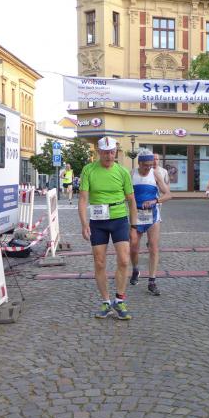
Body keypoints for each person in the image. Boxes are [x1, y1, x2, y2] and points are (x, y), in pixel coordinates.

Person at [78, 136, 139, 319]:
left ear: (116, 152)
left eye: (111, 152)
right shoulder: (89, 170)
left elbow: (132, 201)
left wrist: (134, 227)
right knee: (99, 262)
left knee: (124, 260)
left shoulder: (122, 172)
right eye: (105, 153)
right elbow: (83, 199)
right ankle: (106, 302)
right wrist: (84, 224)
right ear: (99, 152)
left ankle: (119, 300)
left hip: (119, 218)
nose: (109, 156)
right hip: (98, 221)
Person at [129, 149, 171, 296]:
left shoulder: (155, 174)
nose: (148, 167)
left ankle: (152, 281)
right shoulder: (131, 174)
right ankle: (135, 269)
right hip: (136, 215)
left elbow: (168, 194)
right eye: (145, 165)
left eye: (150, 164)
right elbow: (124, 194)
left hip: (152, 215)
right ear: (139, 163)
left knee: (153, 247)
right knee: (133, 246)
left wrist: (155, 201)